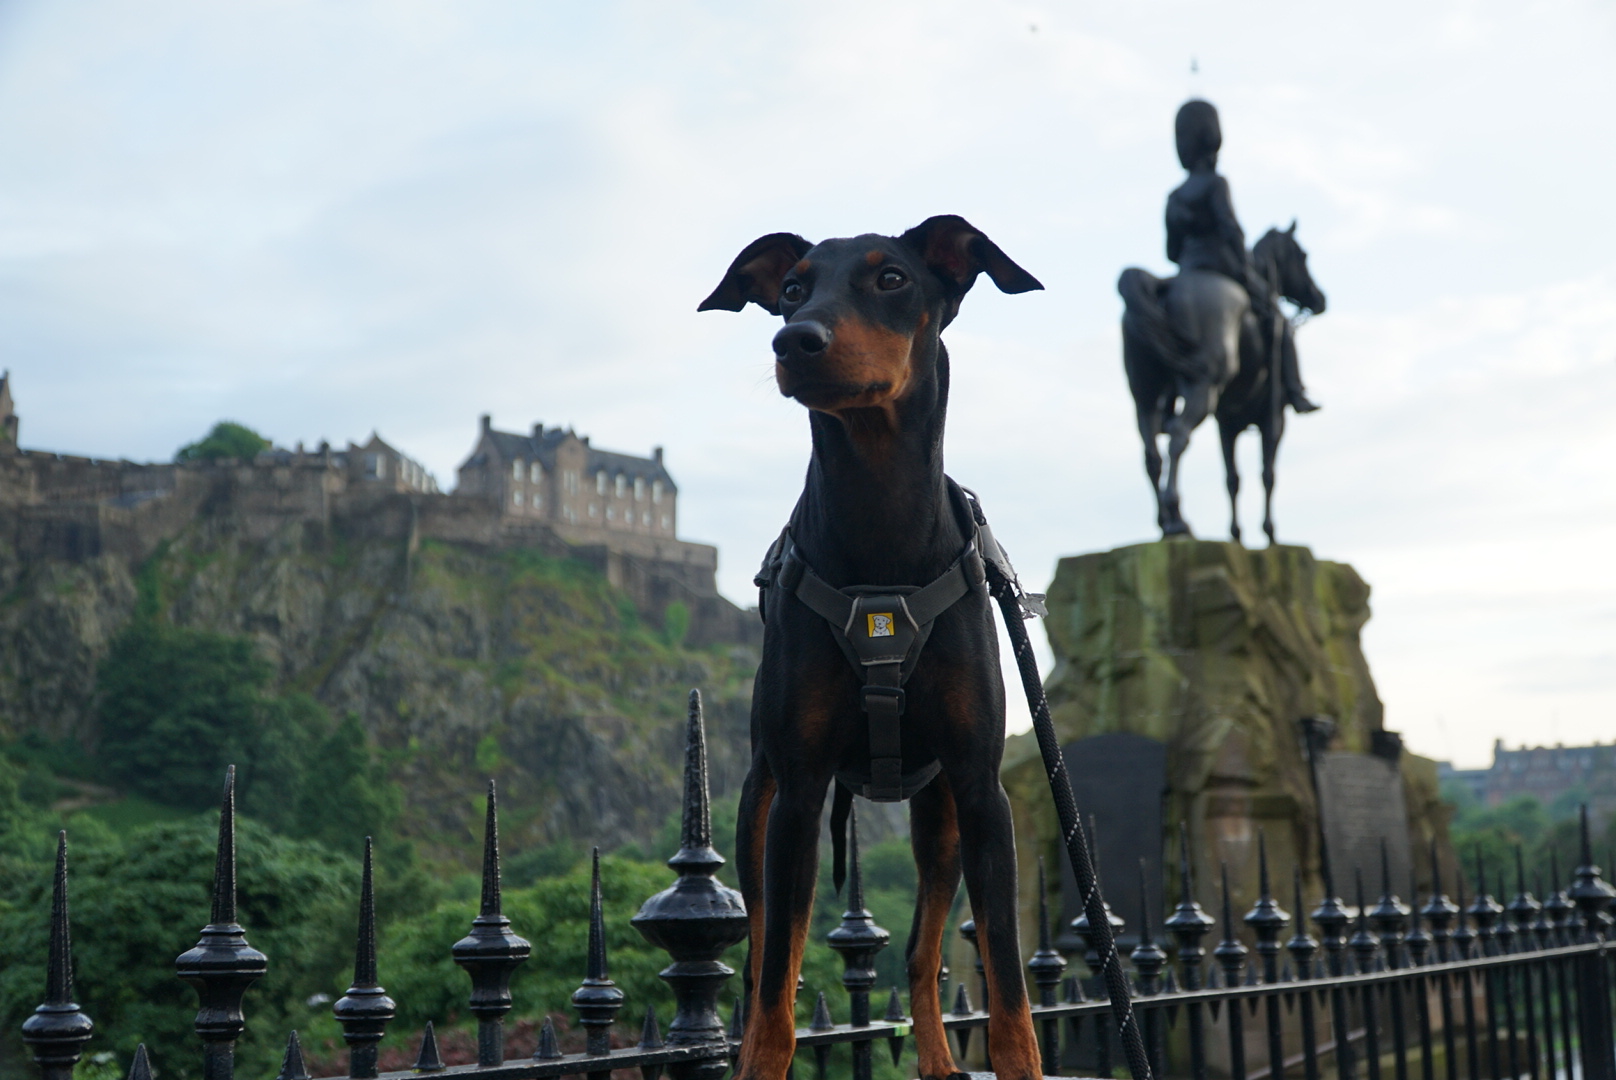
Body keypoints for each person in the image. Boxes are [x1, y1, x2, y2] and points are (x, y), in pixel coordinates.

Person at [1165, 100, 1319, 413]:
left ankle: (1168, 397)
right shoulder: (1216, 184)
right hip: (1223, 268)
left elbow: (1171, 251)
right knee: (1278, 320)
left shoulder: (1175, 196)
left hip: (1187, 271)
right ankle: (1294, 389)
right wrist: (1245, 269)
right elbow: (1231, 231)